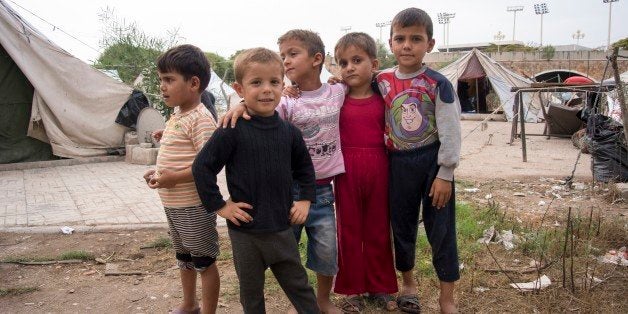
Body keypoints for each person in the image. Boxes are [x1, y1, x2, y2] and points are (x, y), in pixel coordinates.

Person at [221, 29, 345, 314]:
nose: (286, 61)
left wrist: (339, 77)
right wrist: (241, 105)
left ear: (317, 59)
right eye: (283, 56)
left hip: (323, 190)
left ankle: (322, 301)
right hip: (287, 192)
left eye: (293, 54)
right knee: (286, 251)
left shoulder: (337, 90)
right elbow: (262, 112)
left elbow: (362, 80)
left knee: (326, 251)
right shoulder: (285, 100)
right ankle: (299, 297)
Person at [192, 47, 319, 314]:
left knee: (300, 287)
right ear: (240, 88)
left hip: (281, 229)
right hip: (245, 233)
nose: (266, 90)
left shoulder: (290, 133)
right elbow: (202, 167)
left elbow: (305, 170)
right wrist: (220, 206)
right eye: (256, 82)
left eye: (274, 82)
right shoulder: (231, 129)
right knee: (251, 295)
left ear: (283, 85)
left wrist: (306, 199)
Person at [377, 8, 461, 314]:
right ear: (390, 43)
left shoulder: (438, 83)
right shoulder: (382, 81)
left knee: (442, 231)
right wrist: (334, 79)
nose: (407, 45)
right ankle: (408, 284)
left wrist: (446, 172)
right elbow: (352, 86)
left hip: (432, 164)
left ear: (430, 43)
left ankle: (446, 298)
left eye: (416, 39)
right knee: (401, 227)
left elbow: (451, 130)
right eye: (400, 38)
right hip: (398, 163)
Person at [142, 44, 220, 314]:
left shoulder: (201, 119)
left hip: (194, 206)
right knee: (184, 258)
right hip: (174, 205)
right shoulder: (177, 114)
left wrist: (173, 178)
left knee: (204, 262)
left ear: (194, 83)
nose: (162, 86)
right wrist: (159, 174)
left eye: (169, 79)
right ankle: (189, 304)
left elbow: (208, 166)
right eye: (161, 79)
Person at [331, 32, 398, 312]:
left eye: (356, 60)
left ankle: (379, 286)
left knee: (378, 229)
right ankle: (352, 290)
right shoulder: (335, 97)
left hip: (379, 169)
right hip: (345, 171)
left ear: (374, 63)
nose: (349, 68)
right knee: (348, 231)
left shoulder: (387, 98)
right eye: (343, 62)